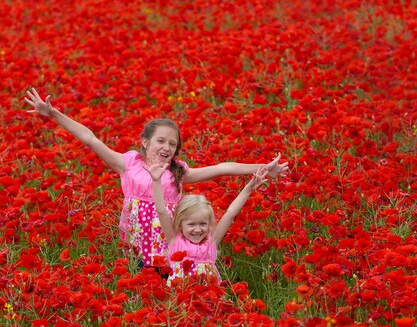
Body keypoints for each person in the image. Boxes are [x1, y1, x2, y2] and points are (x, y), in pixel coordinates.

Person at [24, 87, 288, 267]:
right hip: (138, 239)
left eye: (172, 144)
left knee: (168, 284)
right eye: (161, 141)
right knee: (140, 280)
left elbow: (221, 167)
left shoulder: (178, 171)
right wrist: (53, 114)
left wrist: (262, 167)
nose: (167, 147)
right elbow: (89, 138)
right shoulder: (127, 163)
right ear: (145, 142)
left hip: (171, 242)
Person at [148, 160, 269, 283]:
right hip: (181, 298)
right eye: (191, 224)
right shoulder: (174, 240)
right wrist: (156, 181)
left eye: (203, 224)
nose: (197, 229)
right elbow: (161, 210)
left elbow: (230, 213)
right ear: (180, 224)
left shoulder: (212, 241)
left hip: (209, 299)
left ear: (209, 224)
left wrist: (249, 188)